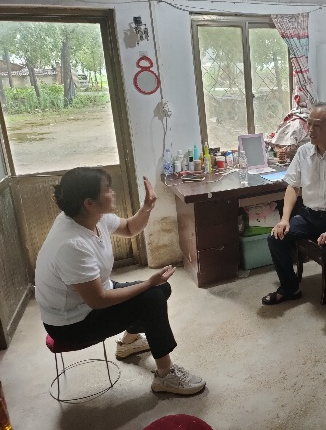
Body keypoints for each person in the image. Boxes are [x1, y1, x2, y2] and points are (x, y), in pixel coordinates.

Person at [35, 167, 205, 395]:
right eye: (107, 190)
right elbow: (98, 300)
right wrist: (148, 283)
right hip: (72, 324)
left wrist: (147, 206)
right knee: (152, 298)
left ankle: (129, 342)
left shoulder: (92, 217)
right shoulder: (72, 244)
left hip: (91, 300)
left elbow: (129, 227)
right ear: (89, 203)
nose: (113, 193)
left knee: (161, 288)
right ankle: (166, 376)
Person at [261, 102, 326, 316]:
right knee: (276, 238)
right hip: (308, 216)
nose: (310, 130)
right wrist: (284, 219)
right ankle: (290, 288)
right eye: (309, 124)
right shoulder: (303, 152)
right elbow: (293, 186)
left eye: (317, 125)